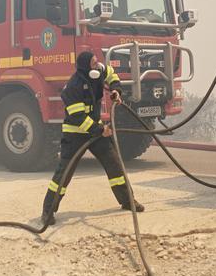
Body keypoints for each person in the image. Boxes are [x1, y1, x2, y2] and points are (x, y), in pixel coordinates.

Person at [41, 51, 145, 226]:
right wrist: (99, 130)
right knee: (64, 173)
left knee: (115, 165)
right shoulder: (72, 88)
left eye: (97, 63)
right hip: (75, 134)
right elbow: (78, 117)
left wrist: (115, 89)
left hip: (96, 131)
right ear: (86, 67)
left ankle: (128, 201)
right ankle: (47, 211)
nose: (97, 66)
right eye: (94, 63)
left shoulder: (97, 72)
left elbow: (111, 73)